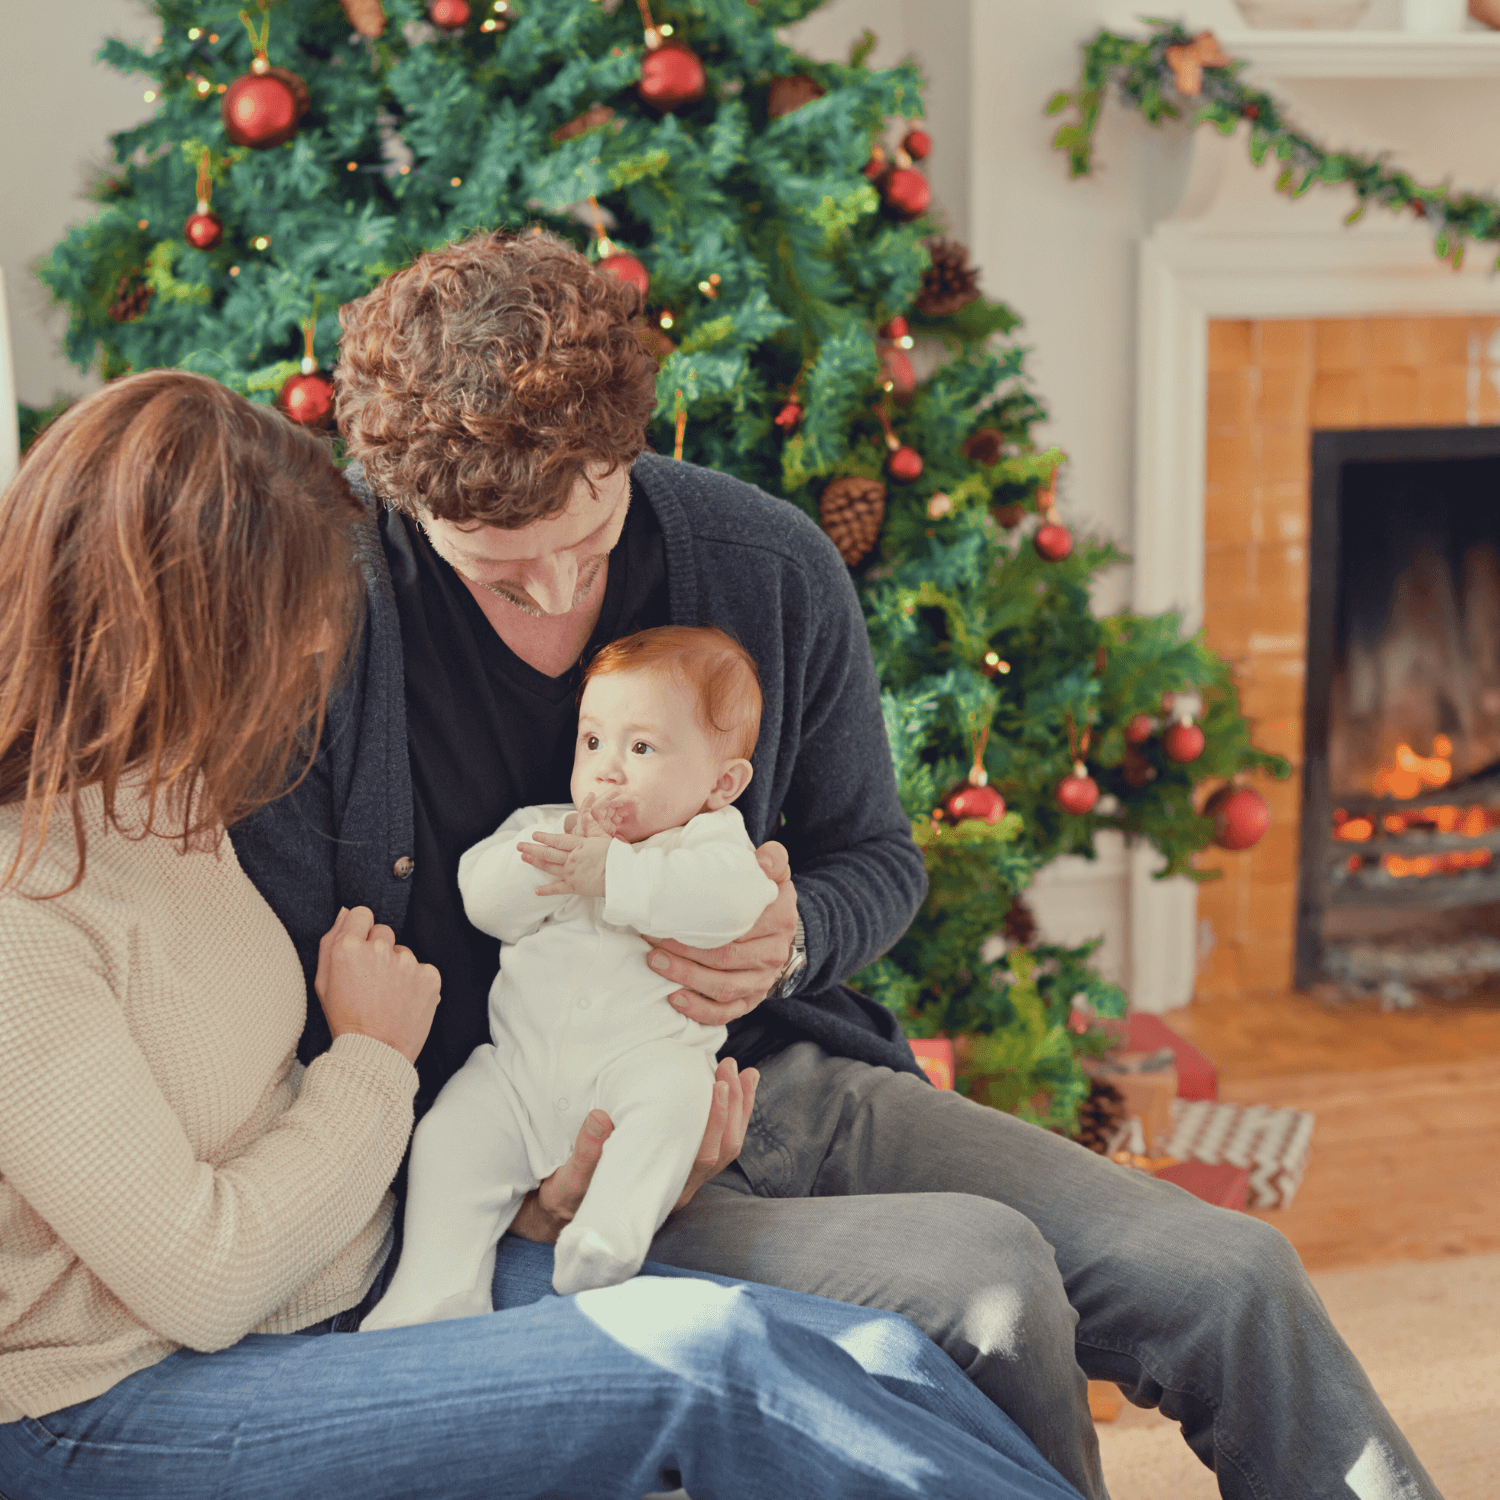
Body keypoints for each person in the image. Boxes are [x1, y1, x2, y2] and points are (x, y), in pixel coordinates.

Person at [232, 231, 1442, 1500]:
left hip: (800, 1076)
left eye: (584, 533)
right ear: (406, 500)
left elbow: (878, 859)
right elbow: (292, 1017)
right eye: (496, 558)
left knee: (1230, 1273)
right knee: (984, 1285)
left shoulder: (763, 564)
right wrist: (524, 1188)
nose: (548, 591)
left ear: (627, 446)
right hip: (558, 1158)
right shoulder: (326, 627)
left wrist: (792, 936)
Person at [0, 370, 1093, 1500]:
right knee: (715, 1366)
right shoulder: (22, 920)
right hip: (110, 1407)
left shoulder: (169, 807)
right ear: (180, 630)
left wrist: (520, 1184)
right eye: (296, 630)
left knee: (879, 1358)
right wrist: (373, 1062)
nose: (321, 663)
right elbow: (209, 1280)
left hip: (344, 1287)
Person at [363, 625, 778, 1321]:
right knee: (448, 1139)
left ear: (721, 783)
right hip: (519, 1077)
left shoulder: (711, 844)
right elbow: (482, 898)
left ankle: (607, 1235)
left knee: (678, 1097)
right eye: (593, 742)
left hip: (636, 1072)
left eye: (641, 748)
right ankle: (435, 1290)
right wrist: (551, 865)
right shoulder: (546, 827)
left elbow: (732, 904)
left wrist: (615, 874)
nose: (607, 770)